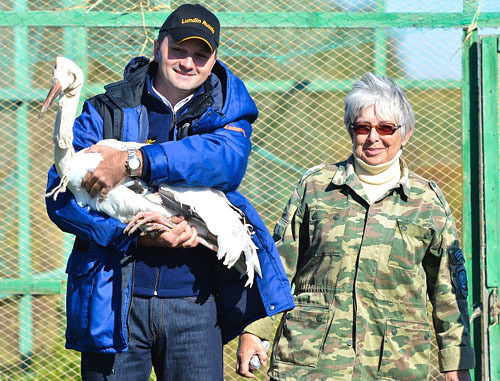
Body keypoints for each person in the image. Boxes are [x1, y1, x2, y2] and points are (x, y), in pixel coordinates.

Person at [45, 4, 294, 380]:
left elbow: (224, 161)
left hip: (195, 306)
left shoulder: (226, 111)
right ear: (160, 46)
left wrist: (133, 161)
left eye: (200, 55)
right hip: (114, 303)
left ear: (214, 59)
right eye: (179, 50)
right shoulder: (105, 112)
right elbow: (61, 196)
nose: (188, 63)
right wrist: (134, 237)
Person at [237, 73, 475, 381]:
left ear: (405, 133)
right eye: (363, 127)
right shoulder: (316, 187)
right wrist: (256, 330)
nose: (373, 137)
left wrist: (456, 363)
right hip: (311, 365)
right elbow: (277, 267)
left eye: (386, 127)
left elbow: (447, 292)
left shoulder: (427, 201)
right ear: (351, 130)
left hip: (394, 366)